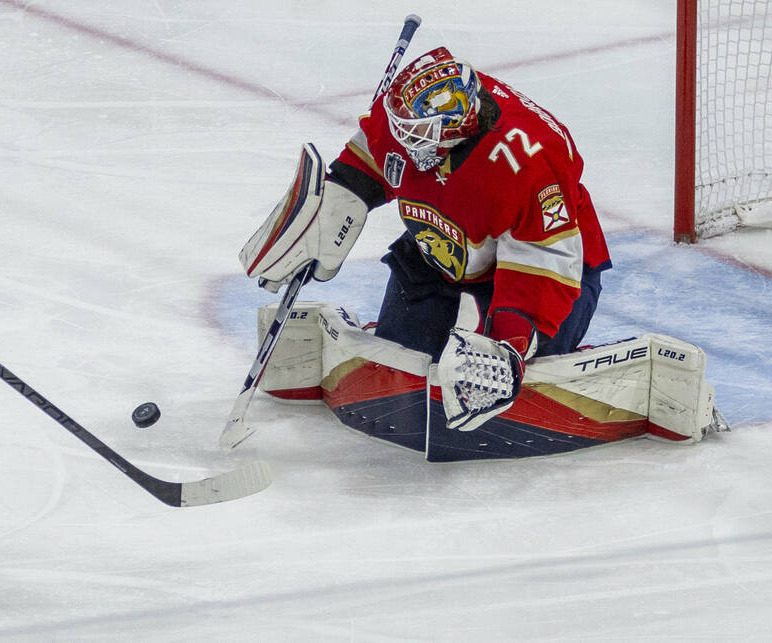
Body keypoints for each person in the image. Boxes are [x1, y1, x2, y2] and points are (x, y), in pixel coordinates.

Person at [241, 46, 613, 439]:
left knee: (489, 376)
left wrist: (510, 341)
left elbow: (545, 260)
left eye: (414, 135)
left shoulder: (528, 162)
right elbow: (373, 154)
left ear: (453, 131)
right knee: (402, 369)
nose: (402, 140)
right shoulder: (413, 108)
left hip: (551, 276)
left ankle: (536, 352)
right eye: (400, 128)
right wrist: (332, 209)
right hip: (444, 253)